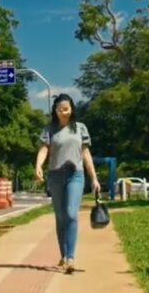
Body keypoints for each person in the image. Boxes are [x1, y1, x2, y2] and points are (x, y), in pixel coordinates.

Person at [35, 93, 100, 273]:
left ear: (71, 109)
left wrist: (94, 177)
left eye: (66, 109)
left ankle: (70, 257)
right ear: (55, 111)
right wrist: (38, 166)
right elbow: (44, 149)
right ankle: (63, 256)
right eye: (60, 109)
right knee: (60, 217)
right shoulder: (50, 129)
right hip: (55, 175)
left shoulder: (80, 128)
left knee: (71, 214)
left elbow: (85, 153)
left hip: (75, 175)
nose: (63, 112)